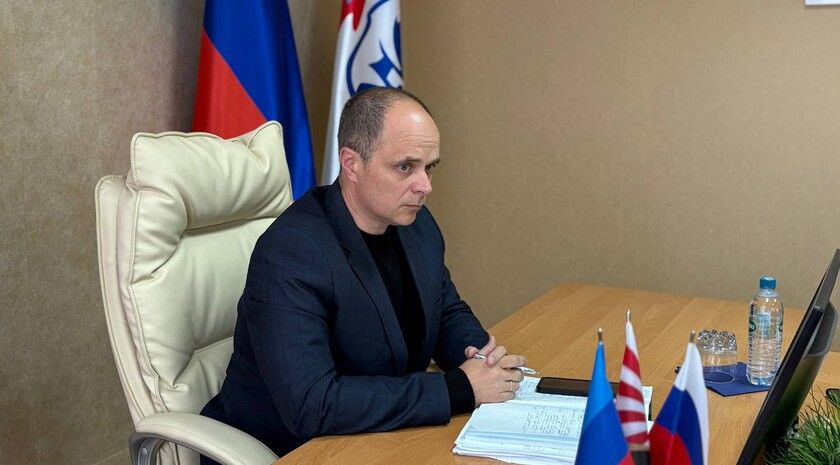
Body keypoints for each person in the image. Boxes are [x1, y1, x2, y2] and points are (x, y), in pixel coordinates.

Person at [200, 87, 526, 460]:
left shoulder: (416, 225)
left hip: (376, 436)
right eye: (405, 167)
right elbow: (311, 404)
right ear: (351, 164)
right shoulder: (292, 252)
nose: (425, 186)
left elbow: (444, 309)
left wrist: (481, 357)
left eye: (429, 167)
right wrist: (459, 389)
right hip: (287, 449)